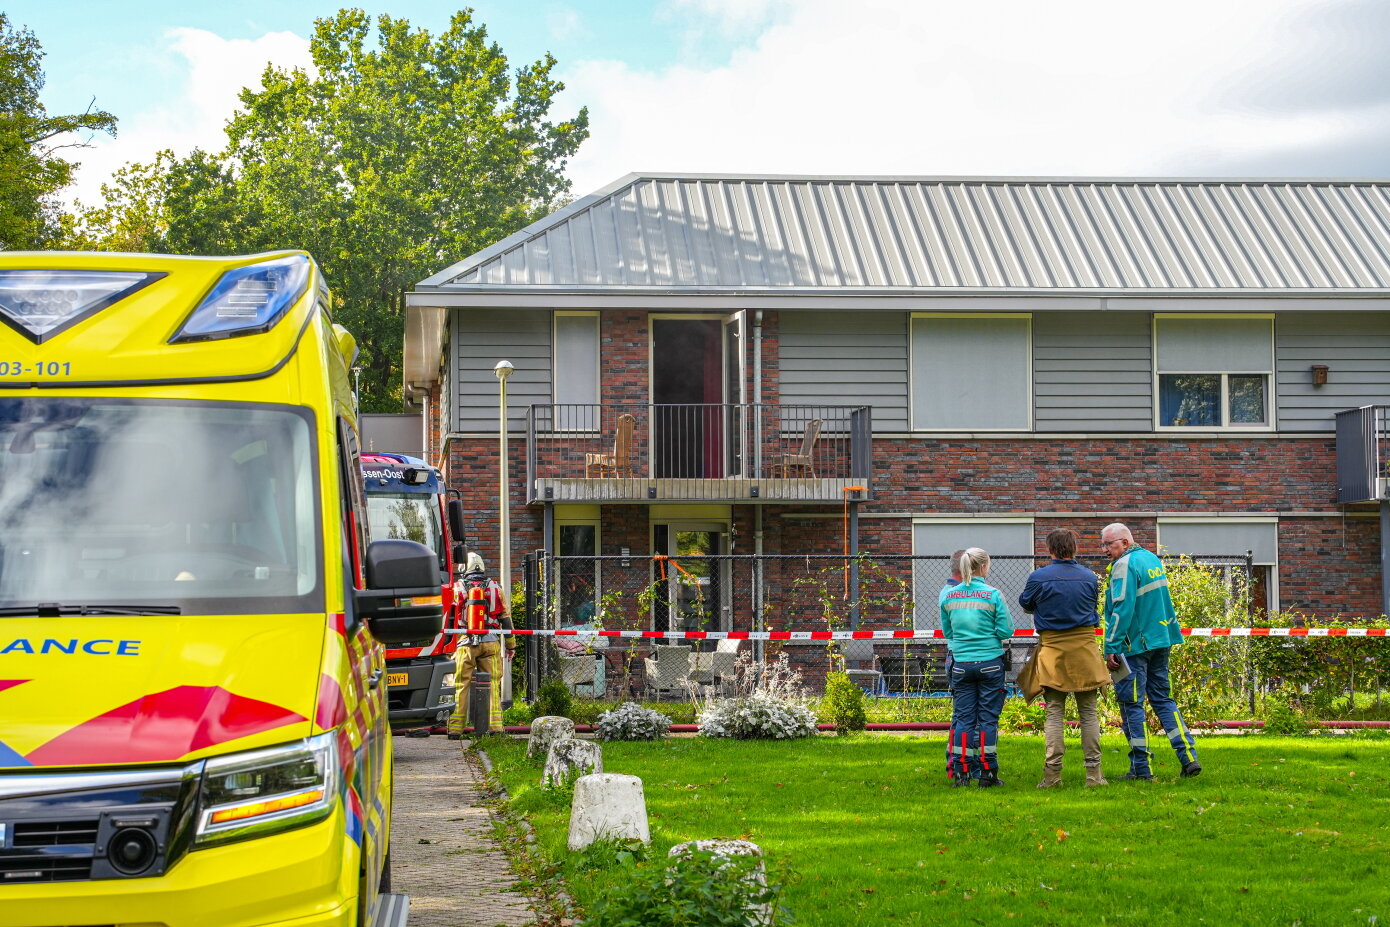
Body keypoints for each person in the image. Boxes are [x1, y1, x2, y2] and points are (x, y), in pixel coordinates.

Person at [1100, 522, 1201, 780]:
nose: (1104, 550)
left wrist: (1111, 646)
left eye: (1108, 544)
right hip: (1160, 640)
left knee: (1131, 704)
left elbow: (1122, 608)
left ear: (1123, 542)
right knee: (1163, 700)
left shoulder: (1124, 565)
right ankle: (1188, 757)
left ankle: (1141, 769)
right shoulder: (1151, 559)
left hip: (1135, 645)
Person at [1018, 529, 1111, 789]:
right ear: (1075, 548)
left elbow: (1026, 604)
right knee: (1089, 713)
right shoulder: (1089, 577)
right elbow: (1093, 605)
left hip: (1052, 651)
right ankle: (1094, 775)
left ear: (1050, 549)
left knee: (1054, 713)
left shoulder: (1038, 577)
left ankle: (1052, 776)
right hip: (1085, 649)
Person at [940, 548, 1014, 787]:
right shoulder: (993, 595)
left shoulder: (949, 596)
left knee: (963, 719)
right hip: (990, 663)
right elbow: (1006, 631)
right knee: (987, 720)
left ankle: (961, 774)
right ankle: (987, 773)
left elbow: (948, 632)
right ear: (984, 567)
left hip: (961, 664)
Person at [446, 552, 513, 738]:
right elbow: (505, 619)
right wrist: (511, 645)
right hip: (490, 643)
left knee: (460, 685)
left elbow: (450, 618)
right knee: (492, 684)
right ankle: (496, 728)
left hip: (464, 644)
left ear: (463, 569)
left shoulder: (457, 588)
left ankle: (455, 729)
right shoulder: (495, 588)